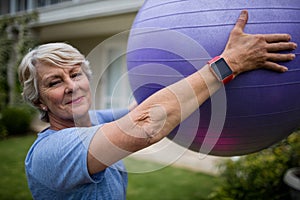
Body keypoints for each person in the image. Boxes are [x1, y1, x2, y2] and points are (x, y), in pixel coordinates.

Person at [19, 10, 297, 199]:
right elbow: (147, 124)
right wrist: (230, 64)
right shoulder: (51, 152)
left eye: (76, 73)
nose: (71, 86)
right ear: (38, 101)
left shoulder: (94, 121)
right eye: (54, 82)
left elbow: (136, 110)